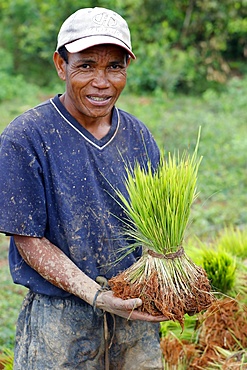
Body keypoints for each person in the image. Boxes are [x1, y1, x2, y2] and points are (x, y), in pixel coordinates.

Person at [0, 7, 167, 370]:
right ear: (61, 65)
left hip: (132, 315)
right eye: (86, 65)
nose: (102, 82)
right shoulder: (26, 137)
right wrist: (94, 294)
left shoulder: (138, 137)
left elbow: (156, 230)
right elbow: (28, 240)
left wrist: (166, 278)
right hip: (59, 320)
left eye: (115, 67)